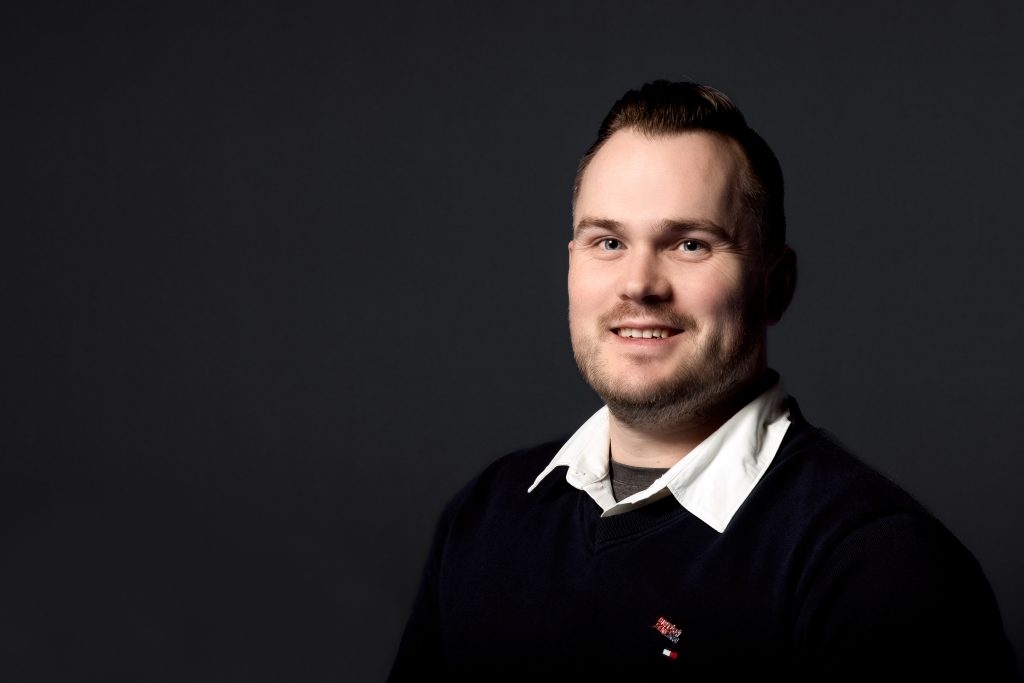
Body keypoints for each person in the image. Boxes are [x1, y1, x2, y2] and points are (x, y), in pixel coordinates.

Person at [388, 80, 1015, 679]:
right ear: (571, 267)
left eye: (689, 244)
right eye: (607, 242)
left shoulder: (876, 566)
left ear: (775, 285)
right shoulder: (488, 517)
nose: (638, 284)